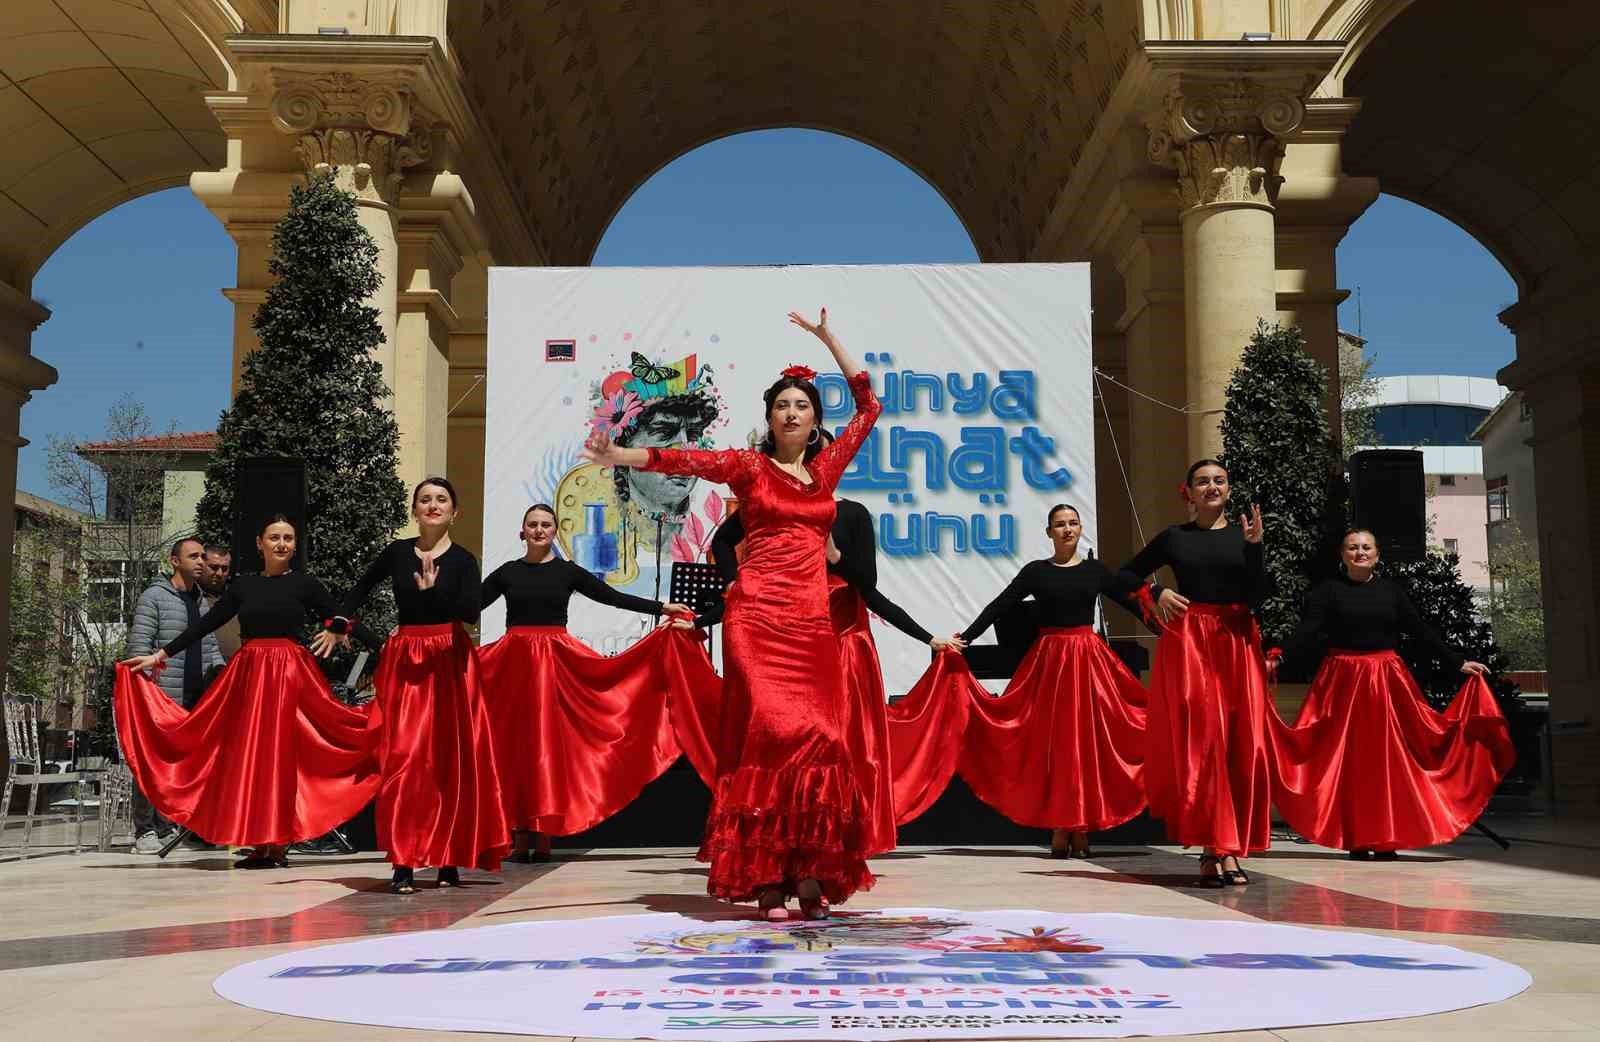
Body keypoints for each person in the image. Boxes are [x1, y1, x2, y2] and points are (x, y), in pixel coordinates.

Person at [582, 308, 878, 920]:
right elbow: (682, 461)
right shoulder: (749, 468)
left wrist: (829, 341)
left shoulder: (824, 473)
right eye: (781, 406)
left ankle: (807, 874)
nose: (791, 413)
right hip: (757, 618)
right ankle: (766, 877)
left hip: (811, 622)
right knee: (768, 737)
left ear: (816, 420)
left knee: (820, 739)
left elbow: (870, 408)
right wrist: (620, 456)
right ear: (769, 419)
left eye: (802, 405)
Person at [695, 475, 962, 856]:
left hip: (845, 655)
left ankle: (842, 839)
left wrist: (928, 638)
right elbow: (726, 548)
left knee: (847, 750)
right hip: (787, 652)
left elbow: (867, 585)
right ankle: (783, 838)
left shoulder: (851, 514)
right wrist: (724, 594)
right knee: (782, 746)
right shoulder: (770, 508)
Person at [116, 516, 383, 868]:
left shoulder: (306, 584)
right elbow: (206, 624)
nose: (282, 544)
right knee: (253, 760)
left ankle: (279, 841)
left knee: (283, 758)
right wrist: (162, 653)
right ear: (261, 543)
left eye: (288, 538)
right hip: (251, 677)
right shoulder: (243, 586)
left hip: (289, 676)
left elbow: (340, 617)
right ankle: (261, 841)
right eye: (274, 537)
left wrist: (384, 646)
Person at [1268, 529, 1514, 858]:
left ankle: (1387, 837)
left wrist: (1457, 662)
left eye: (1366, 547)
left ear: (1377, 554)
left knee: (1391, 761)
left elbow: (1421, 631)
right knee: (1350, 762)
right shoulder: (1327, 592)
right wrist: (1278, 656)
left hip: (1386, 681)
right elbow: (1307, 631)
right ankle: (1358, 837)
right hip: (1342, 683)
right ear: (1343, 555)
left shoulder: (1391, 592)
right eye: (1352, 548)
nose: (1359, 553)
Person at [479, 503, 698, 862]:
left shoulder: (567, 572)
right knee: (517, 748)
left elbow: (611, 597)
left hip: (556, 664)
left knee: (549, 747)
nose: (538, 530)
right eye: (532, 524)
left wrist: (661, 609)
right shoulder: (506, 573)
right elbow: (468, 606)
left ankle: (544, 833)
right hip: (513, 666)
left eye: (545, 525)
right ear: (522, 532)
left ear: (554, 531)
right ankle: (519, 833)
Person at [326, 477, 509, 894]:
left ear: (454, 511)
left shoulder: (463, 560)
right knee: (405, 760)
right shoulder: (396, 552)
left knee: (448, 762)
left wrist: (433, 594)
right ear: (415, 509)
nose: (433, 505)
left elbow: (468, 612)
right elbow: (360, 587)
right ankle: (404, 860)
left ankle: (448, 858)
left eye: (441, 499)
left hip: (450, 661)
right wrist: (339, 622)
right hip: (408, 659)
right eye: (425, 499)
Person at [953, 504, 1153, 858]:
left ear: (1080, 529)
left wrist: (1168, 632)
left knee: (1086, 743)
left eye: (1073, 523)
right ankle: (1063, 826)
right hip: (1050, 663)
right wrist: (965, 638)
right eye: (1060, 525)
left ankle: (1080, 826)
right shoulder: (1036, 572)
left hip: (1089, 661)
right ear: (1049, 532)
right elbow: (999, 606)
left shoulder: (1095, 570)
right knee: (1058, 745)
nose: (1067, 529)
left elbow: (1132, 605)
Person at [1119, 460, 1271, 887]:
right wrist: (1157, 591)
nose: (1212, 486)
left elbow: (1259, 595)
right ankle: (1212, 849)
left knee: (1238, 745)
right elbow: (1124, 574)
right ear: (1188, 490)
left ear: (1228, 488)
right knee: (1205, 745)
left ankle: (1228, 847)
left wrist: (1256, 547)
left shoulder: (1245, 536)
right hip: (1191, 646)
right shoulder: (1175, 537)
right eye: (1203, 481)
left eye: (1219, 480)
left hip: (1236, 644)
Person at [124, 537, 225, 853]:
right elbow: (138, 649)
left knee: (181, 768)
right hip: (160, 697)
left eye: (202, 557)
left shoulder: (200, 602)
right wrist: (149, 692)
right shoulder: (153, 598)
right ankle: (145, 831)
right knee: (151, 764)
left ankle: (167, 826)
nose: (201, 562)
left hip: (195, 699)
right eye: (193, 556)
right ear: (174, 561)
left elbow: (210, 649)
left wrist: (223, 675)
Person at [199, 545, 242, 661]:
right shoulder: (192, 599)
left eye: (224, 569)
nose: (219, 573)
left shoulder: (236, 598)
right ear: (201, 566)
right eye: (213, 567)